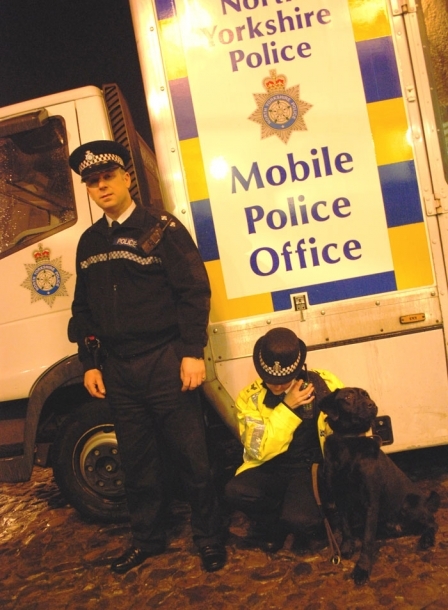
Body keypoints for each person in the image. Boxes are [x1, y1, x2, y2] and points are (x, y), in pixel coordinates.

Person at [68, 140, 226, 573]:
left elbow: (193, 291)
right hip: (118, 368)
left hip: (165, 361)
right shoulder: (89, 242)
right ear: (88, 189)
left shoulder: (161, 229)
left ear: (126, 179)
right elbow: (83, 310)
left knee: (193, 458)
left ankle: (210, 539)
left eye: (108, 178)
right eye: (92, 182)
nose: (101, 187)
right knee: (138, 463)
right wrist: (90, 362)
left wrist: (192, 353)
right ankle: (147, 539)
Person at [225, 327, 343, 553]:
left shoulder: (324, 383)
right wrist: (287, 407)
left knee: (300, 520)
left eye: (284, 380)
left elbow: (344, 430)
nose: (277, 386)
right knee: (235, 491)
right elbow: (260, 450)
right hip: (271, 466)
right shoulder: (249, 398)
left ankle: (308, 519)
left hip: (310, 469)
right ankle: (272, 526)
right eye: (270, 380)